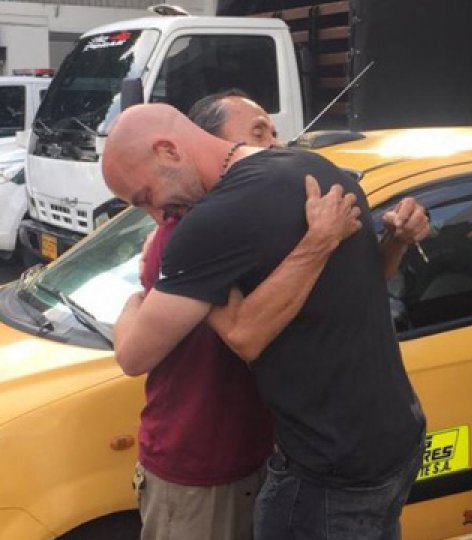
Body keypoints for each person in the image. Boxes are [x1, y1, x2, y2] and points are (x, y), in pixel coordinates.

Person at [102, 102, 429, 540]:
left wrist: (132, 302)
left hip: (328, 465)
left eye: (146, 197)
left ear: (168, 150)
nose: (158, 215)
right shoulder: (321, 171)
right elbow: (365, 281)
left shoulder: (207, 224)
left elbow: (237, 337)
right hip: (395, 439)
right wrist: (357, 242)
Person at [132, 91, 362, 540]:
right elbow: (244, 333)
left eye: (274, 132)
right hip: (199, 467)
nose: (274, 144)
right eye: (258, 132)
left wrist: (389, 240)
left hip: (264, 455)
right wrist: (319, 242)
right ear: (210, 143)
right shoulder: (188, 232)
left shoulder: (278, 221)